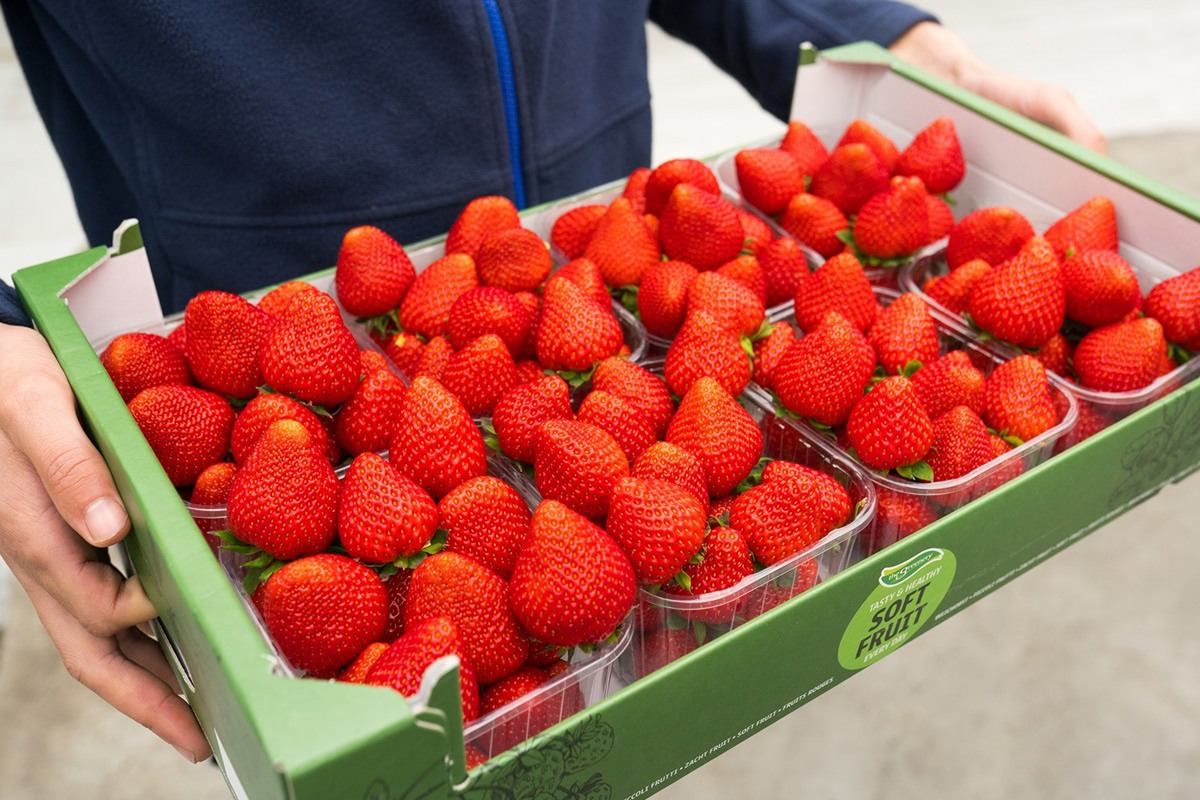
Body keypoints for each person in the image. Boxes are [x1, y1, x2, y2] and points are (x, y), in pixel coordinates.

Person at [0, 1, 1102, 764]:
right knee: (374, 731)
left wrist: (881, 33)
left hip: (596, 291)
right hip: (255, 346)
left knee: (615, 702)